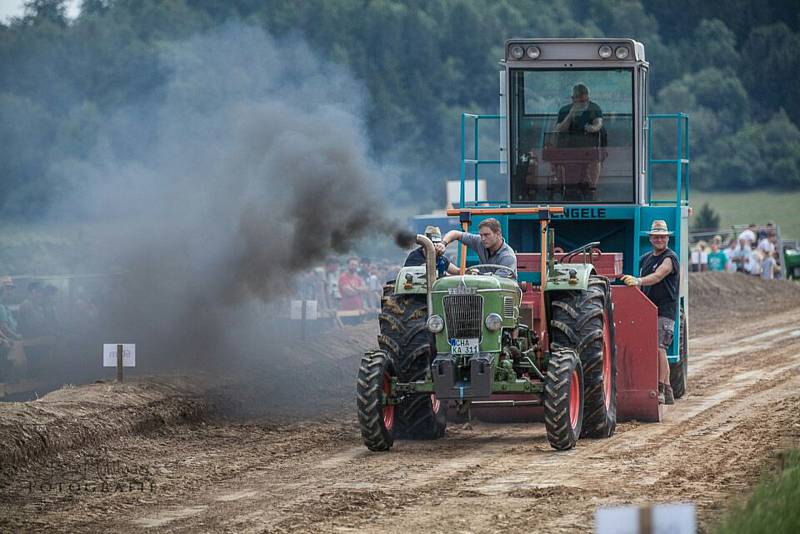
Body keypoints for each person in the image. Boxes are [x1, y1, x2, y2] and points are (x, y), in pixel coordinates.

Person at [619, 220, 679, 405]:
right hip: (648, 309)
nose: (660, 239)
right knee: (655, 349)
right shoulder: (645, 258)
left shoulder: (670, 258)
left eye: (663, 236)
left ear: (667, 238)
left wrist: (638, 281)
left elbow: (659, 275)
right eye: (656, 236)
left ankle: (660, 389)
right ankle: (667, 390)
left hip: (665, 310)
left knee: (659, 348)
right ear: (650, 238)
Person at [554, 83, 605, 197]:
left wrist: (592, 128)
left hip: (588, 147)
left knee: (595, 159)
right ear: (573, 99)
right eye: (580, 101)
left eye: (585, 101)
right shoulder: (565, 110)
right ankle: (565, 189)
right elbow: (559, 129)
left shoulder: (594, 108)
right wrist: (571, 115)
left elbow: (599, 124)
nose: (583, 104)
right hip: (568, 148)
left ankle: (592, 188)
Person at [438, 218, 517, 274]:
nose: (483, 239)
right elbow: (455, 234)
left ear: (498, 234)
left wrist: (478, 274)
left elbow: (499, 282)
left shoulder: (507, 257)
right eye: (481, 235)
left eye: (486, 235)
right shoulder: (480, 242)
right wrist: (443, 243)